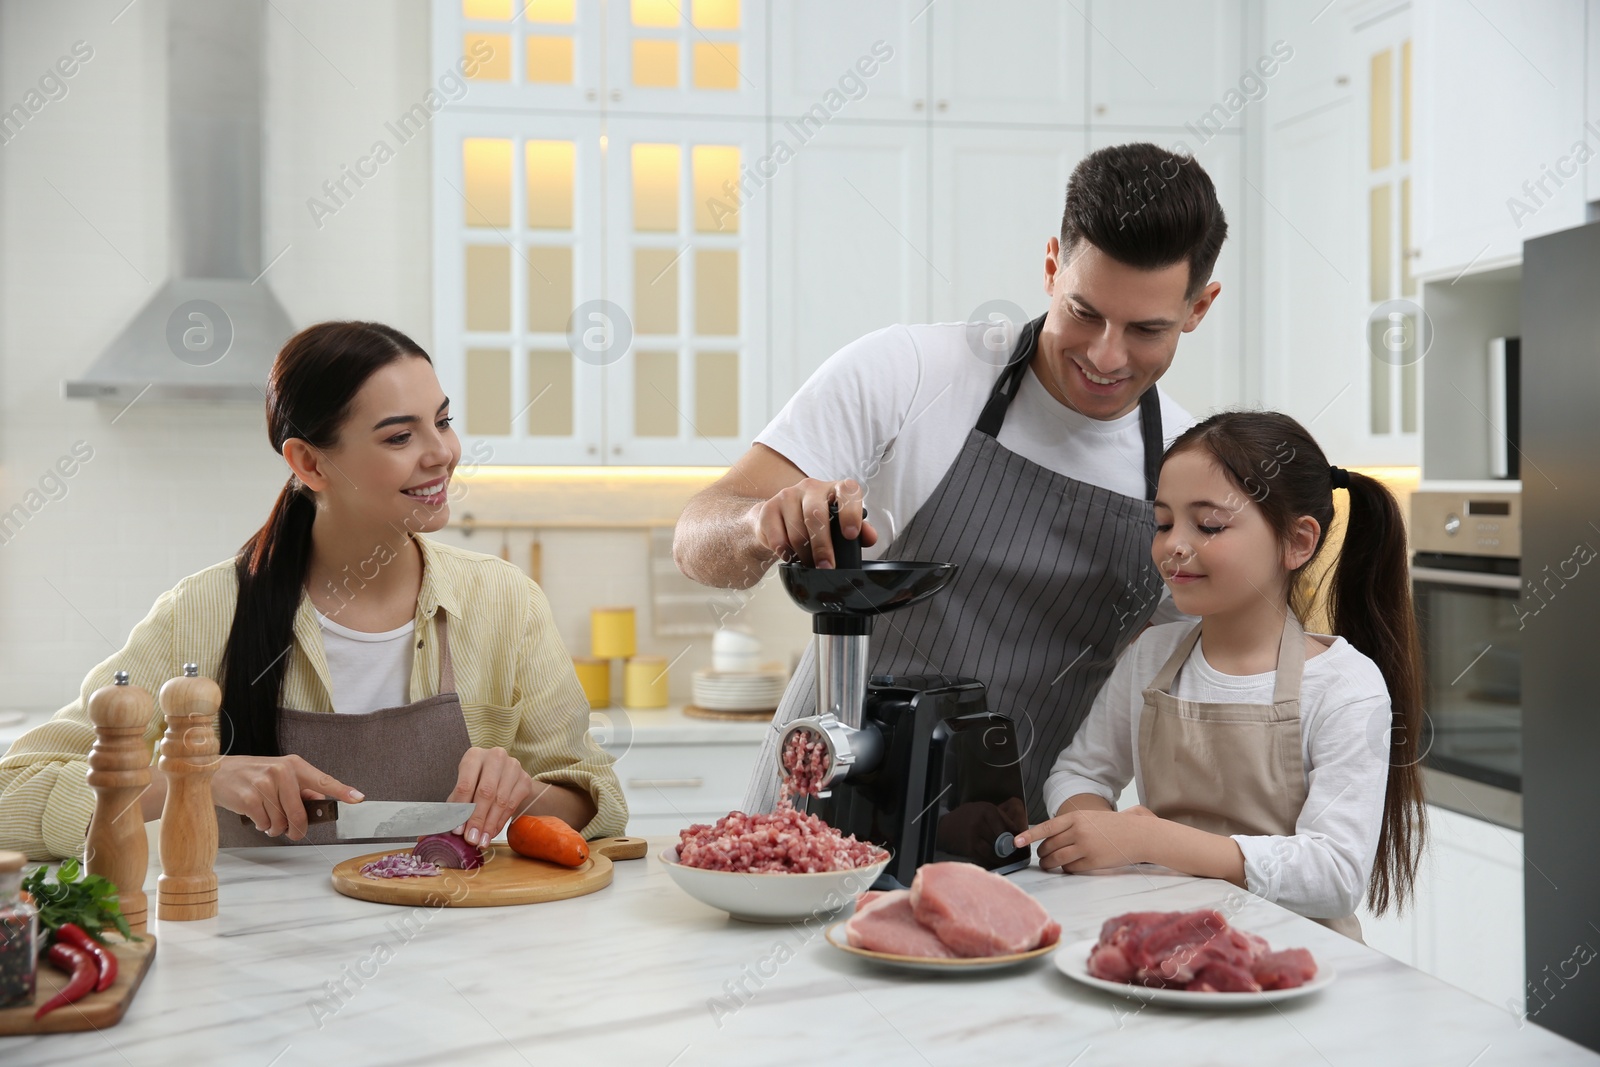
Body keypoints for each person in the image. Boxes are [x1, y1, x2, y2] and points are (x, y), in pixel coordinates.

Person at [674, 142, 1226, 820]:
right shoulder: (911, 371)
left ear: (1199, 308)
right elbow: (699, 543)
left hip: (1022, 856)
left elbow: (1198, 683)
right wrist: (758, 524)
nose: (1107, 355)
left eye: (1147, 329)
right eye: (1084, 311)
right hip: (819, 822)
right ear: (1052, 265)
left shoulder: (1188, 467)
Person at [0, 321, 625, 860]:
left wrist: (523, 791)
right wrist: (196, 778)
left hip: (455, 954)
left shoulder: (504, 603)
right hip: (255, 966)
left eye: (443, 421)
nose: (443, 454)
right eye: (400, 437)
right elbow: (15, 792)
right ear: (309, 463)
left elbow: (595, 800)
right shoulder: (206, 612)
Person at [1015, 411, 1427, 938]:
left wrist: (1151, 840)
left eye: (1208, 524)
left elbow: (1335, 875)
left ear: (1297, 543)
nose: (1173, 546)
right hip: (1163, 941)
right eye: (1163, 523)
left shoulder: (1345, 686)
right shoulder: (1150, 657)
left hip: (1297, 965)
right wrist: (1095, 824)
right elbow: (1080, 772)